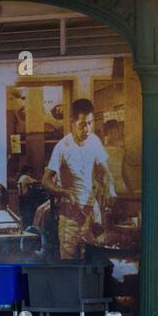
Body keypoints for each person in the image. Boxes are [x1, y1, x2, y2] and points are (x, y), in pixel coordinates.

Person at [42, 98, 115, 260]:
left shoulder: (94, 141)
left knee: (93, 261)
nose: (87, 129)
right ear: (72, 122)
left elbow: (106, 171)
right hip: (70, 216)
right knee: (70, 265)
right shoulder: (62, 147)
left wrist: (110, 185)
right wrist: (65, 192)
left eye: (90, 123)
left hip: (91, 213)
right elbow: (45, 181)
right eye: (82, 124)